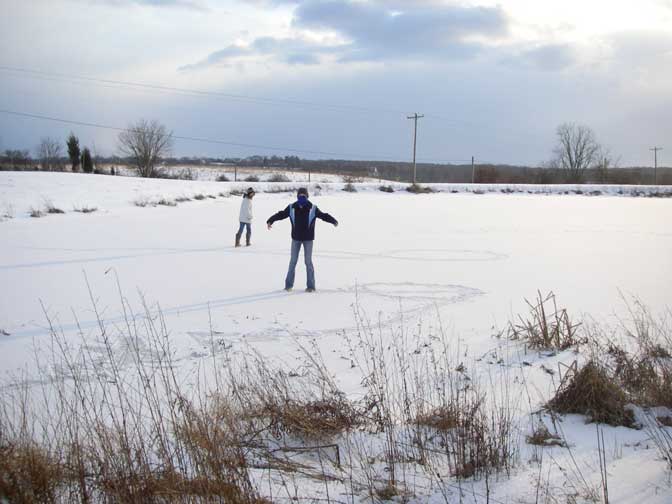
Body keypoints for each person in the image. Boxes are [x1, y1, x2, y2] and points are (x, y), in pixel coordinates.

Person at [267, 187, 338, 292]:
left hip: (308, 240)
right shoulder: (291, 207)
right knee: (293, 262)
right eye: (300, 196)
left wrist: (333, 221)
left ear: (307, 197)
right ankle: (288, 286)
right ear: (297, 197)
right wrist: (270, 220)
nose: (301, 198)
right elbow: (281, 214)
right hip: (295, 239)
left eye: (303, 196)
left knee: (308, 262)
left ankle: (311, 286)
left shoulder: (313, 208)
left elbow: (323, 216)